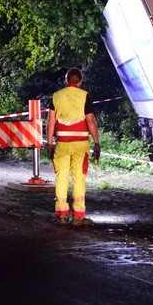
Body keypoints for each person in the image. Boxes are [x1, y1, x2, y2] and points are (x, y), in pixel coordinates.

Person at [45, 67, 100, 225]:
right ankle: (78, 216)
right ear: (80, 81)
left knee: (61, 177)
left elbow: (51, 123)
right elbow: (90, 121)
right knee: (79, 178)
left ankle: (62, 214)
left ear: (66, 80)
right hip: (80, 145)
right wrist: (96, 143)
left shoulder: (56, 96)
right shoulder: (85, 96)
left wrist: (49, 143)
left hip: (62, 144)